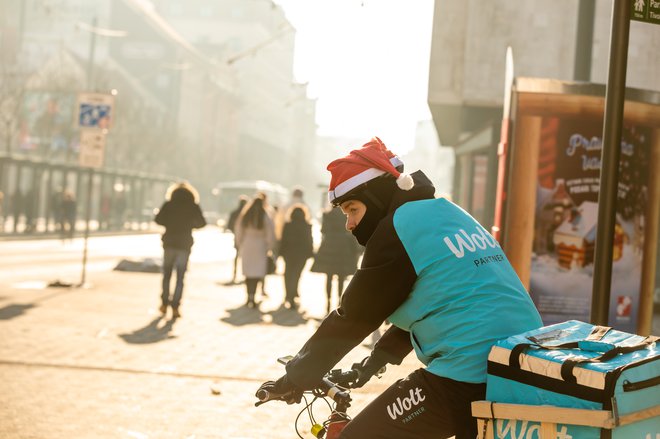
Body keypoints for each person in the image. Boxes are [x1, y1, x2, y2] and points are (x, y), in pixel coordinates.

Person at [256, 137, 543, 439]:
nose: (349, 224)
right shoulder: (446, 213)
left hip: (468, 372)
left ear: (377, 197)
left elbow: (354, 316)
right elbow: (438, 300)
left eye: (353, 209)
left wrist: (296, 377)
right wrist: (372, 363)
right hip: (517, 362)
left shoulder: (397, 227)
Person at [154, 182, 207, 319]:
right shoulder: (193, 205)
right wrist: (190, 224)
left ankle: (164, 303)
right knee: (180, 277)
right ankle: (176, 306)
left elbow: (158, 219)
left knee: (166, 274)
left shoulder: (169, 204)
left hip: (169, 242)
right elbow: (202, 223)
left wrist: (170, 223)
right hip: (184, 244)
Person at [311, 205, 362, 314]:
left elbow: (323, 230)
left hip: (329, 246)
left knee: (329, 276)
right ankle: (339, 302)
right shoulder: (346, 215)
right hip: (343, 247)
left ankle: (328, 302)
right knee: (341, 276)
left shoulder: (327, 215)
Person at [234, 194, 275, 308]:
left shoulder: (246, 214)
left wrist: (240, 242)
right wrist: (269, 246)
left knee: (248, 273)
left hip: (247, 244)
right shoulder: (265, 215)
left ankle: (249, 296)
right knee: (257, 273)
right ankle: (253, 297)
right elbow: (270, 232)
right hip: (260, 245)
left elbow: (238, 229)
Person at [278, 203, 314, 310]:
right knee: (297, 275)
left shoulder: (288, 225)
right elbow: (309, 240)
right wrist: (310, 253)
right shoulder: (307, 226)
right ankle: (293, 295)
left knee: (287, 274)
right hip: (301, 254)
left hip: (289, 253)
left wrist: (281, 252)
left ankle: (289, 295)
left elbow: (283, 240)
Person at [226, 195, 249, 284]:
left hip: (237, 236)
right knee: (245, 256)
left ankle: (235, 273)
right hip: (247, 238)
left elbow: (229, 226)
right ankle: (245, 274)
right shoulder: (247, 214)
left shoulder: (234, 213)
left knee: (237, 256)